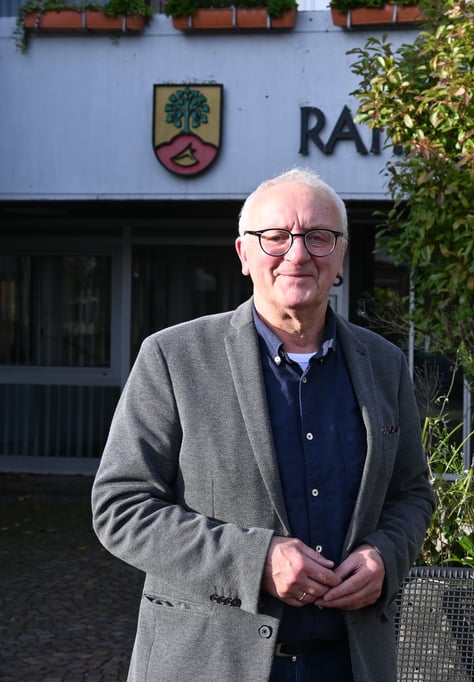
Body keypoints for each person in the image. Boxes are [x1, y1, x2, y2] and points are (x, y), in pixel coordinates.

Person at [92, 167, 436, 682]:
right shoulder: (173, 357)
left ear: (340, 256)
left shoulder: (384, 365)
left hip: (350, 661)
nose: (297, 254)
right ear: (244, 254)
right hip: (209, 662)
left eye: (319, 238)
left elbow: (412, 493)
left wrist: (386, 557)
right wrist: (254, 561)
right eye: (275, 237)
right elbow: (120, 506)